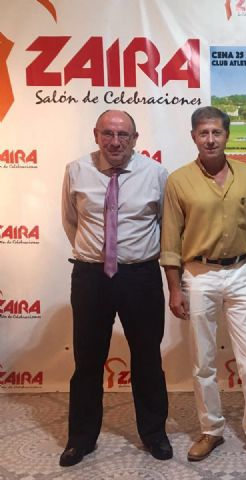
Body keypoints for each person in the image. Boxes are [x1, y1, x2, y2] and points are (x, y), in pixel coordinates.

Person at [160, 106, 246, 467]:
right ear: (194, 137)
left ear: (227, 135)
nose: (210, 139)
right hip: (199, 275)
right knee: (203, 360)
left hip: (242, 272)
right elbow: (170, 240)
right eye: (203, 133)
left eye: (216, 132)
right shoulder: (179, 180)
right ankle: (210, 429)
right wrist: (175, 289)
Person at [60, 110, 171, 466]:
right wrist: (96, 255)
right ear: (96, 135)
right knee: (87, 360)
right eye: (108, 133)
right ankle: (80, 439)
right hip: (91, 276)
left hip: (141, 275)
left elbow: (165, 224)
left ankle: (154, 434)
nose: (115, 141)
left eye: (123, 135)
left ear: (135, 139)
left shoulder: (156, 174)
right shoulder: (76, 170)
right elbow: (71, 221)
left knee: (148, 358)